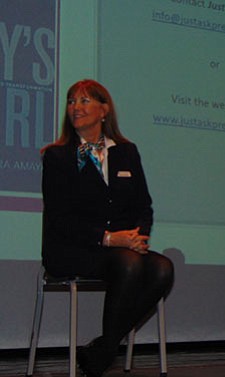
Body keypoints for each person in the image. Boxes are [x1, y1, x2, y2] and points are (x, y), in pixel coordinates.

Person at [41, 79, 174, 377]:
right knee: (128, 264)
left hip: (121, 248)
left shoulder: (126, 152)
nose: (76, 107)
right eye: (71, 101)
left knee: (163, 268)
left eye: (85, 100)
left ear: (104, 110)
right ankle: (105, 354)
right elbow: (59, 219)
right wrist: (109, 238)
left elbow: (144, 205)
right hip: (71, 249)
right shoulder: (58, 157)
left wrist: (138, 236)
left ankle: (103, 348)